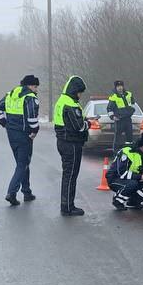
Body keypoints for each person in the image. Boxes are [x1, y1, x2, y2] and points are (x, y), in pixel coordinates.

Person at [0, 74, 40, 206]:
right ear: (30, 86)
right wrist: (34, 131)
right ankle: (11, 193)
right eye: (35, 87)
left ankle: (27, 192)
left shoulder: (11, 94)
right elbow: (32, 118)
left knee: (23, 163)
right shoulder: (30, 98)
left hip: (11, 135)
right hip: (24, 136)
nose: (36, 90)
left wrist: (5, 123)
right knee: (22, 164)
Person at [53, 74, 89, 216]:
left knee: (67, 174)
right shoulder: (70, 103)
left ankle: (66, 204)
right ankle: (68, 207)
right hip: (71, 144)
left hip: (63, 141)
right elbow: (78, 126)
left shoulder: (62, 100)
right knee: (71, 175)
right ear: (75, 90)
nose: (80, 95)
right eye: (80, 92)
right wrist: (89, 123)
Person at [106, 132, 143, 210]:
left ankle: (134, 201)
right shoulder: (127, 152)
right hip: (116, 179)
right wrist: (141, 176)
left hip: (134, 178)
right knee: (132, 184)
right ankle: (117, 201)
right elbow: (122, 173)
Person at [106, 80, 135, 153]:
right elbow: (109, 109)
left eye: (121, 86)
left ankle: (129, 152)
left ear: (123, 86)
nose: (120, 88)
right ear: (115, 88)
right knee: (118, 139)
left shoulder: (129, 94)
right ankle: (116, 154)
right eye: (118, 86)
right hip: (119, 120)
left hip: (128, 119)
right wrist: (113, 117)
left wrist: (131, 110)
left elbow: (133, 103)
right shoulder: (113, 97)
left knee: (129, 138)